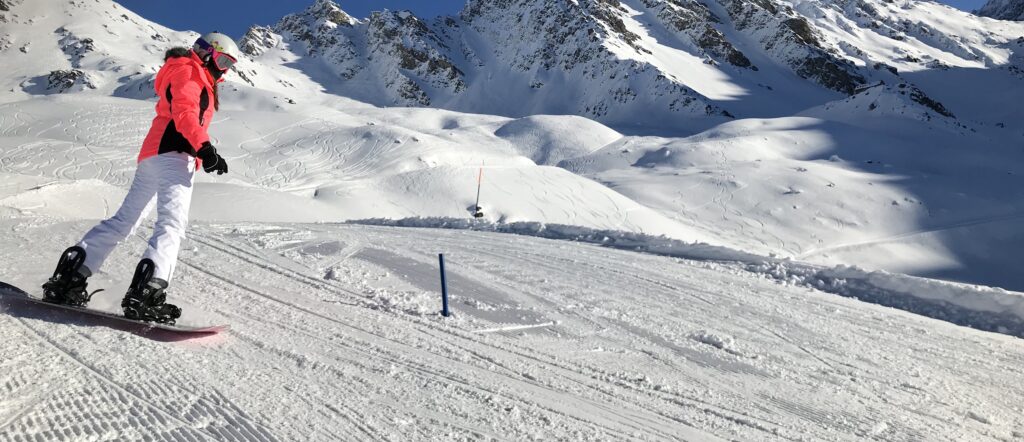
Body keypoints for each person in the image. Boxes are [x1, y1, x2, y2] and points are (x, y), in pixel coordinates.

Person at [41, 32, 240, 325]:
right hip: (175, 154)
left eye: (229, 64)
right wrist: (204, 148)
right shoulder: (190, 71)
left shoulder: (182, 69)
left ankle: (71, 277)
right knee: (171, 224)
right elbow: (184, 112)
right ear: (207, 53)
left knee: (125, 221)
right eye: (222, 60)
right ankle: (147, 292)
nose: (223, 69)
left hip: (154, 156)